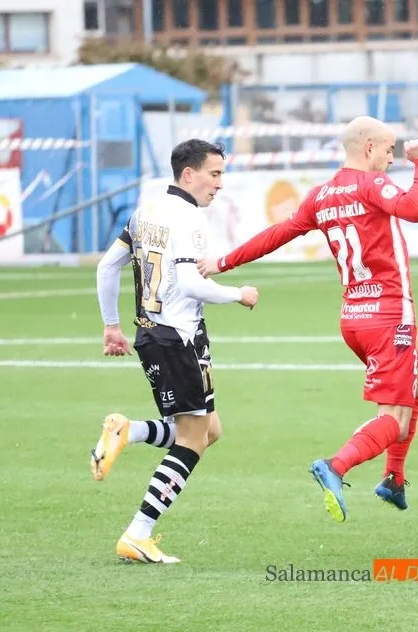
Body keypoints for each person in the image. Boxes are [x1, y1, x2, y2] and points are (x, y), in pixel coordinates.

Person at [198, 116, 418, 522]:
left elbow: (277, 233)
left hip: (354, 320)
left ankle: (394, 479)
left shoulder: (323, 195)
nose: (394, 158)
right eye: (390, 150)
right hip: (389, 316)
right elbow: (415, 209)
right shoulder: (373, 185)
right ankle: (335, 466)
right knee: (393, 420)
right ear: (369, 149)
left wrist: (223, 261)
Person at [92, 139, 259, 563]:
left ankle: (129, 431)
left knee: (210, 430)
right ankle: (138, 532)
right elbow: (190, 283)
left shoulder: (145, 210)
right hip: (179, 338)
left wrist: (112, 325)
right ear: (189, 174)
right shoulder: (189, 219)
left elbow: (107, 266)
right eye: (214, 174)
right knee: (193, 441)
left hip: (153, 335)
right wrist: (238, 293)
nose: (220, 184)